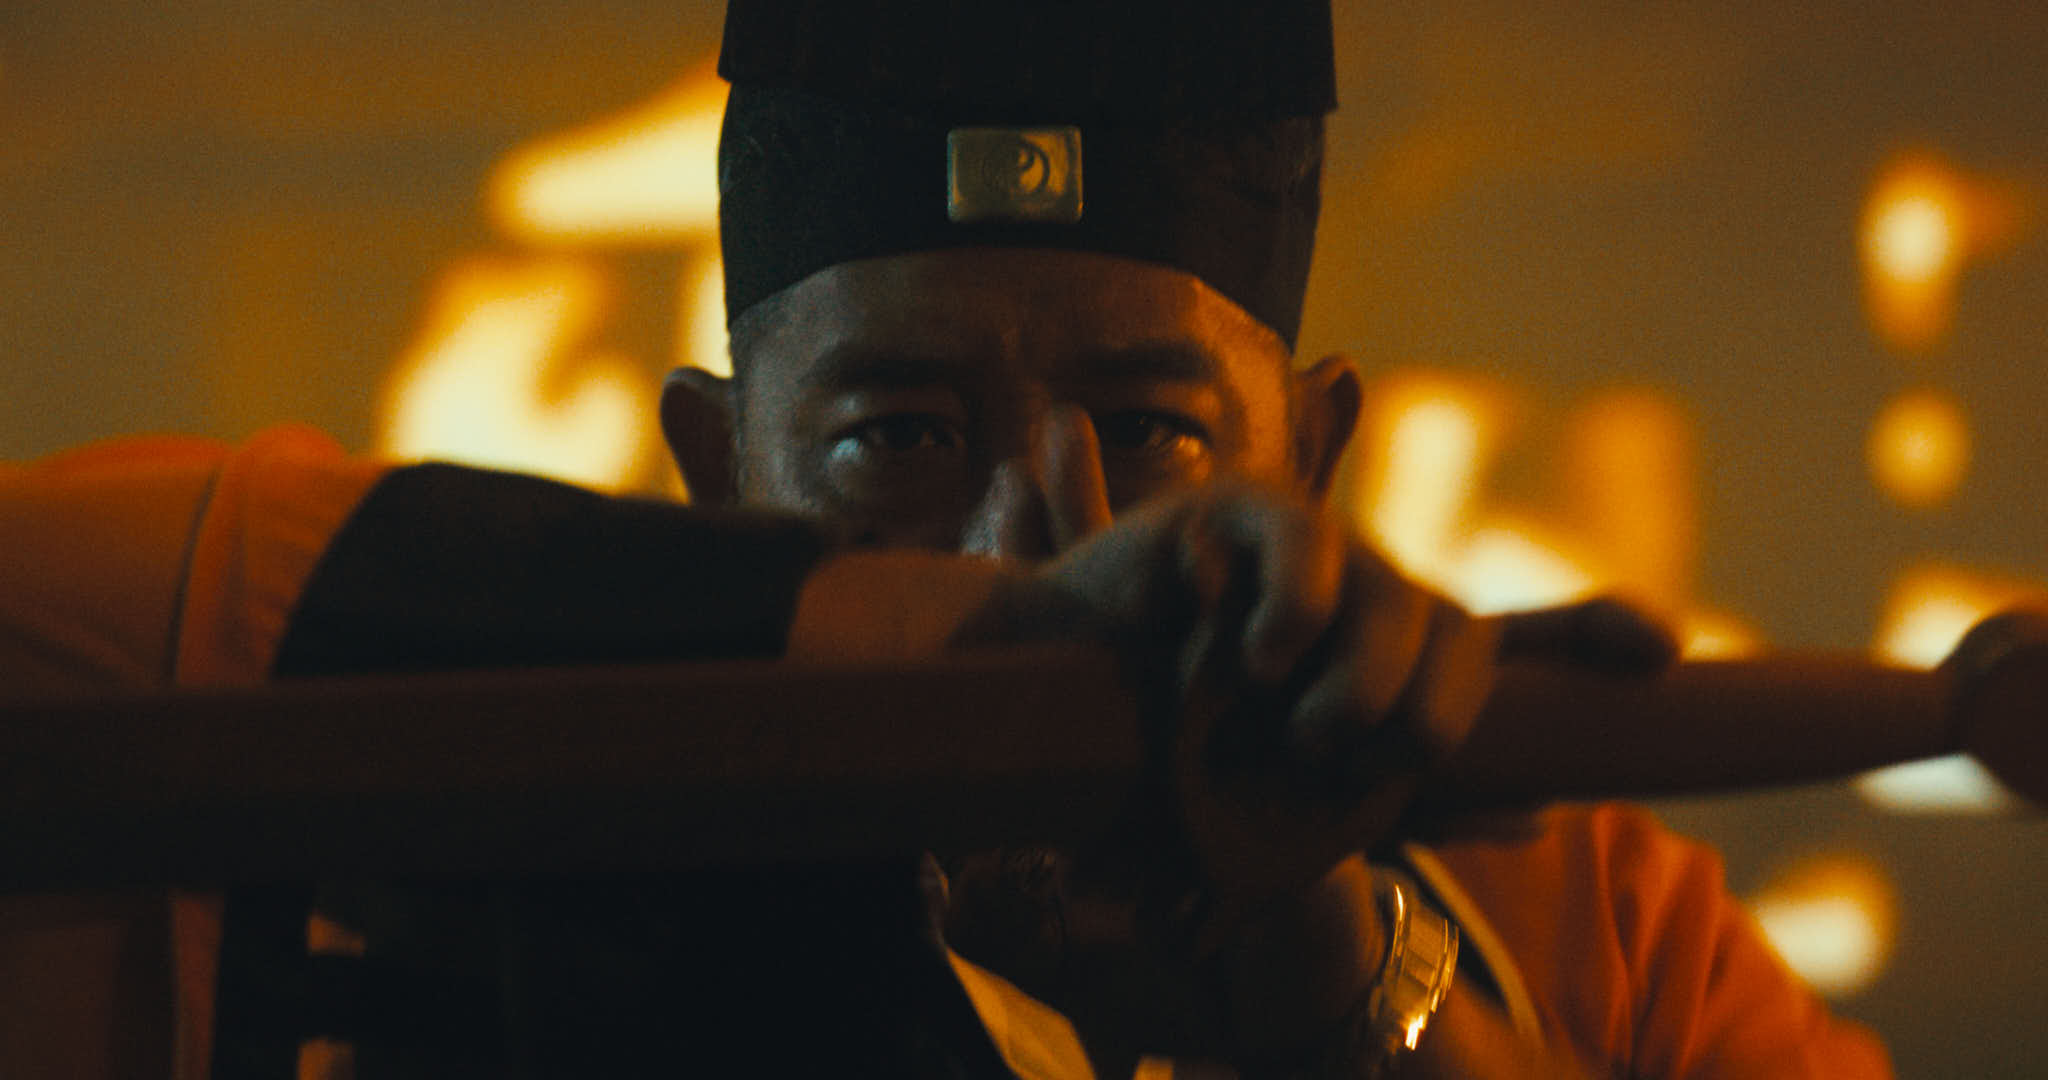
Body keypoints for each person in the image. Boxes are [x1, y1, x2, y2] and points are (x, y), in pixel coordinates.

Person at [0, 1, 1897, 1077]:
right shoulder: (407, 777)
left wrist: (1339, 990)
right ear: (712, 471)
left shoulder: (1588, 921)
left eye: (1152, 436)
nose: (1037, 548)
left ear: (1313, 459)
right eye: (898, 436)